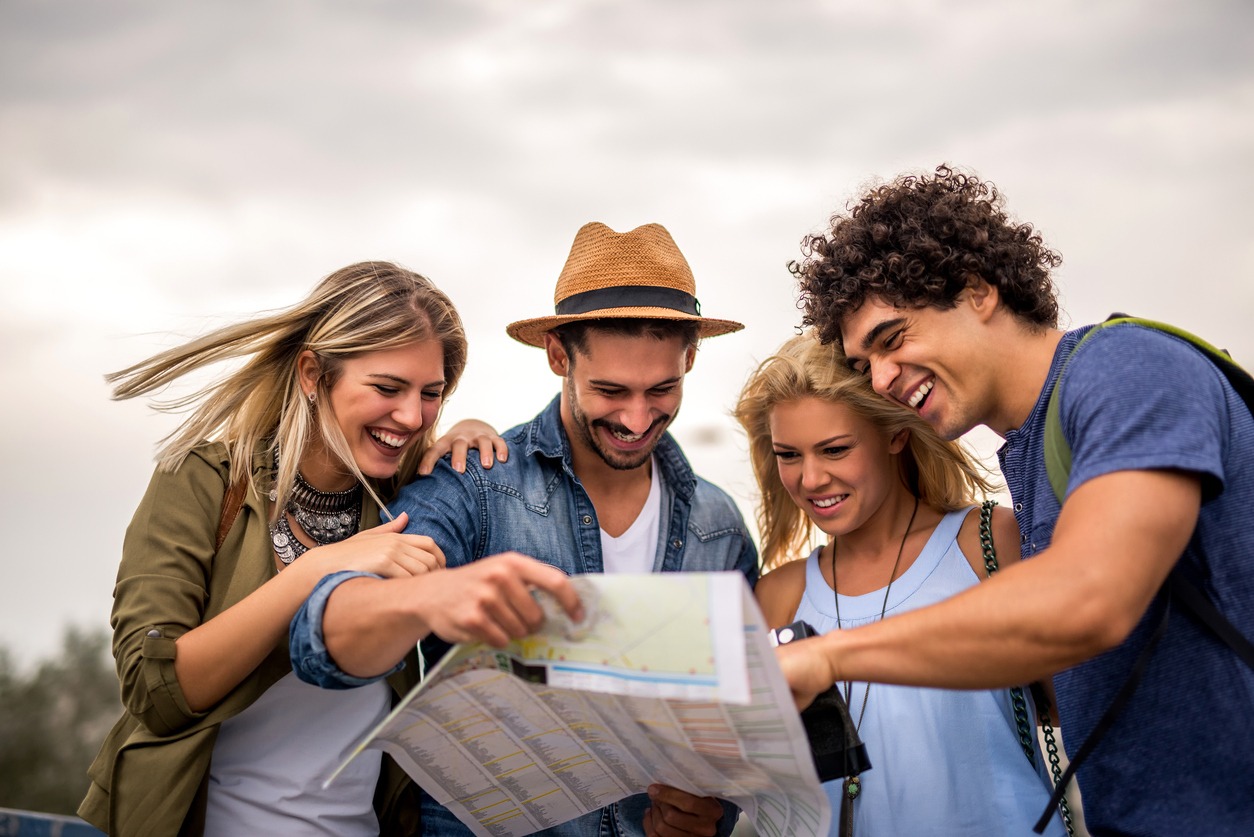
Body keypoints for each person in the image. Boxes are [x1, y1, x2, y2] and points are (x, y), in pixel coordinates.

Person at [780, 165, 1254, 836]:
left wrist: (829, 654)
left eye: (893, 339)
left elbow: (1089, 597)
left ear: (978, 291)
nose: (881, 378)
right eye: (863, 365)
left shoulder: (1127, 370)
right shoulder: (1030, 450)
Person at [290, 222, 759, 837]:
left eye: (663, 389)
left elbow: (734, 742)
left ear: (691, 358)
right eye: (611, 390)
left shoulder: (719, 530)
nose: (638, 417)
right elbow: (319, 645)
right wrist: (426, 595)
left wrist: (711, 816)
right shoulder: (473, 485)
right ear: (558, 356)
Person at [79, 261, 580, 837]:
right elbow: (154, 692)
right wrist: (313, 570)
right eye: (388, 388)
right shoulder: (201, 480)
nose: (411, 416)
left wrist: (469, 429)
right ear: (314, 373)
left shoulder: (410, 497)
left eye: (431, 394)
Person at [734, 332, 1066, 836]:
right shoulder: (778, 595)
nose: (810, 479)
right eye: (789, 454)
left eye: (835, 449)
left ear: (896, 434)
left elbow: (1078, 704)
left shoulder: (988, 543)